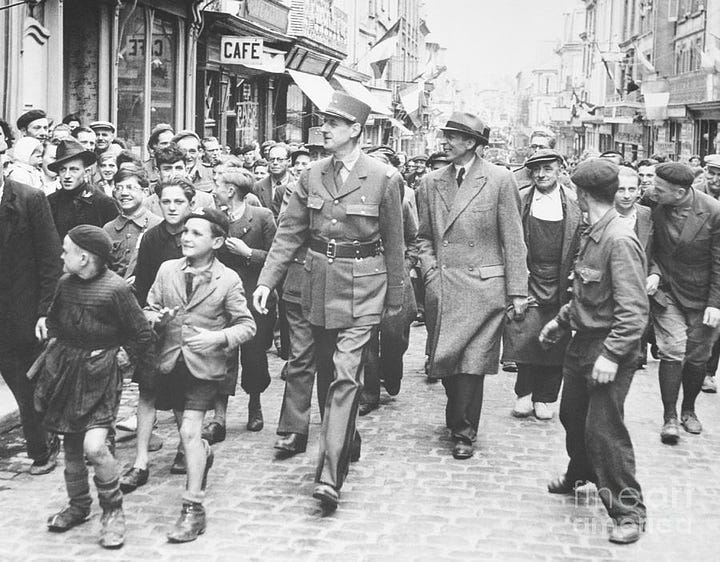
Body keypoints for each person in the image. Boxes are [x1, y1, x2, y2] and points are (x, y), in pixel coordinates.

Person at [253, 92, 405, 509]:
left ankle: (329, 474)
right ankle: (346, 434)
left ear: (356, 130)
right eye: (324, 121)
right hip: (318, 284)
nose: (325, 128)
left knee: (344, 375)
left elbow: (395, 244)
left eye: (334, 123)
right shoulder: (312, 175)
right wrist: (269, 279)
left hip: (364, 287)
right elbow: (289, 232)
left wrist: (398, 300)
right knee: (325, 372)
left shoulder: (384, 178)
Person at [540, 159, 647, 544]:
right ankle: (580, 472)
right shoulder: (593, 233)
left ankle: (629, 511)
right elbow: (588, 292)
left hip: (607, 347)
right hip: (582, 343)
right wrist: (561, 321)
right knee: (572, 415)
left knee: (604, 431)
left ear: (583, 195)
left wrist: (613, 355)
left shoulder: (618, 239)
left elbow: (634, 311)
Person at [416, 111, 527, 460]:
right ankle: (457, 414)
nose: (444, 142)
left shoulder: (499, 179)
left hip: (484, 288)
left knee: (472, 364)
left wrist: (518, 291)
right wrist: (431, 273)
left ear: (472, 143)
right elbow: (422, 238)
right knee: (446, 362)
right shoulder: (431, 182)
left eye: (452, 137)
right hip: (445, 287)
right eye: (445, 135)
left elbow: (514, 238)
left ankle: (465, 431)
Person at [35, 225, 152, 549]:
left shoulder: (116, 290)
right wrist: (52, 334)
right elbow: (56, 319)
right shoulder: (64, 284)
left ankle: (113, 511)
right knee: (71, 446)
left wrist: (119, 359)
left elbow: (141, 335)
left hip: (101, 376)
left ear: (84, 257)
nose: (61, 254)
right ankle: (78, 505)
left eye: (66, 250)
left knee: (95, 447)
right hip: (67, 373)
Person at [146, 207, 256, 542]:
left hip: (205, 368)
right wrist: (156, 318)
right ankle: (203, 453)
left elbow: (246, 325)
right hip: (170, 364)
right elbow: (149, 307)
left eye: (196, 233)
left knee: (190, 432)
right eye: (185, 232)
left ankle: (193, 508)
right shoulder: (167, 270)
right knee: (186, 434)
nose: (186, 238)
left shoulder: (229, 279)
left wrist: (218, 337)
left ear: (218, 241)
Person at [502, 149, 582, 420]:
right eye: (536, 170)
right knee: (525, 335)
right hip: (530, 276)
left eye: (547, 168)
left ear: (560, 168)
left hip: (561, 280)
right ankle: (524, 393)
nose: (541, 174)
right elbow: (509, 241)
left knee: (557, 338)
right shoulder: (521, 201)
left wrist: (574, 275)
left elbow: (581, 245)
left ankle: (546, 397)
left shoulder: (573, 204)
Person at [647, 162, 720, 443]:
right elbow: (646, 243)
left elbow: (718, 261)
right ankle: (670, 417)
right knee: (672, 350)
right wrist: (653, 271)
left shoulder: (712, 212)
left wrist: (715, 303)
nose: (653, 191)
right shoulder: (653, 204)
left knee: (698, 356)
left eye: (660, 189)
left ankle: (689, 409)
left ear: (679, 193)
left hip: (703, 297)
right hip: (668, 292)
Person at [0, 165, 62, 476]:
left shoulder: (30, 199)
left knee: (27, 389)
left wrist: (44, 311)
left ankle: (42, 446)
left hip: (19, 315)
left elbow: (51, 259)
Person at [211, 168, 276, 439]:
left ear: (231, 191)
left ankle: (255, 404)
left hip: (254, 295)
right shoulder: (214, 218)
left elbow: (277, 256)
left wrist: (249, 253)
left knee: (254, 353)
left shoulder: (262, 217)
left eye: (218, 184)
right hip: (221, 295)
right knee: (221, 353)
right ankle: (219, 416)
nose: (213, 189)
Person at [615, 166, 654, 369]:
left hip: (640, 285)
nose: (627, 195)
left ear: (640, 191)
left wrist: (656, 274)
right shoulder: (601, 215)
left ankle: (637, 355)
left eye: (632, 189)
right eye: (621, 189)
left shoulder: (648, 215)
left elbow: (659, 252)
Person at [47, 138, 118, 239]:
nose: (67, 175)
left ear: (86, 172)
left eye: (74, 169)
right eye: (63, 169)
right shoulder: (49, 202)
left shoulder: (104, 203)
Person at [102, 165, 162, 281]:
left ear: (144, 191)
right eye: (119, 188)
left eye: (130, 188)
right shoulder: (108, 229)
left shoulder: (158, 225)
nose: (124, 193)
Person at [143, 144, 214, 215]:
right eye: (167, 169)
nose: (174, 173)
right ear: (158, 172)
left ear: (186, 170)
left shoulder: (205, 200)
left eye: (178, 168)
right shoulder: (148, 204)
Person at [254, 143, 292, 217]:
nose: (275, 163)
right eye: (272, 159)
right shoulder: (257, 187)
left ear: (289, 161)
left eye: (280, 160)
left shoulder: (296, 185)